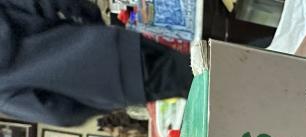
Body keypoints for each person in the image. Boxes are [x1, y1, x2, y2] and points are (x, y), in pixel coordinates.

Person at [0, 0, 193, 127]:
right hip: (112, 42)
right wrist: (94, 27)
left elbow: (59, 115)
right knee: (192, 66)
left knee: (197, 78)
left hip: (114, 85)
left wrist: (100, 104)